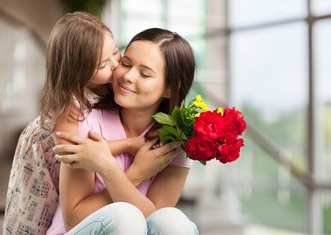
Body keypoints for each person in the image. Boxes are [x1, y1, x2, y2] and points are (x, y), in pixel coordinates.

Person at [3, 12, 175, 235]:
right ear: (80, 73)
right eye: (104, 64)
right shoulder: (68, 106)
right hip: (42, 183)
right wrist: (129, 145)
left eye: (115, 52)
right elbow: (79, 151)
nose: (116, 66)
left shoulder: (107, 90)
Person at [48, 28, 199, 234]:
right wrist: (136, 174)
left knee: (173, 221)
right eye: (125, 63)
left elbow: (155, 223)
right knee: (125, 217)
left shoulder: (175, 142)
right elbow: (73, 220)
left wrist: (108, 167)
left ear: (170, 88)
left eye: (144, 74)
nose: (128, 76)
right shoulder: (83, 122)